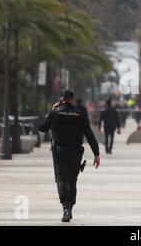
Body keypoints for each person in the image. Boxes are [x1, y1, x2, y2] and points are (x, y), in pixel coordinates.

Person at [39, 90, 101, 223]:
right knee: (72, 181)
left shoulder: (55, 113)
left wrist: (51, 112)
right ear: (72, 99)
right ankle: (70, 208)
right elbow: (89, 135)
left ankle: (66, 208)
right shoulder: (80, 114)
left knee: (61, 179)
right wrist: (96, 154)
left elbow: (43, 128)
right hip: (76, 152)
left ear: (62, 99)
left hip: (60, 151)